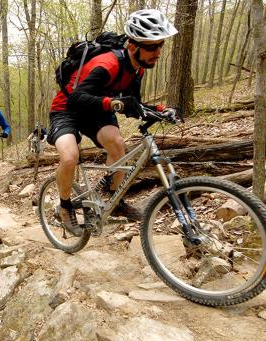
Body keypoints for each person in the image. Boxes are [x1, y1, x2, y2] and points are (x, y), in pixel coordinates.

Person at [47, 9, 179, 236]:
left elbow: (133, 104)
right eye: (151, 47)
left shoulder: (137, 69)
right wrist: (116, 104)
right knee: (69, 157)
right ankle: (65, 206)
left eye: (160, 46)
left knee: (118, 145)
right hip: (67, 109)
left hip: (97, 110)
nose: (157, 52)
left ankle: (114, 199)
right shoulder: (107, 64)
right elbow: (78, 97)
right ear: (132, 46)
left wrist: (160, 110)